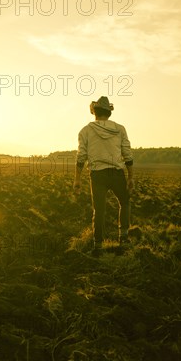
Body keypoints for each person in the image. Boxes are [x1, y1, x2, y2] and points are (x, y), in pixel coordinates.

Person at [73, 96, 134, 255]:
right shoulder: (120, 129)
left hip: (97, 174)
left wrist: (77, 179)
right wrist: (131, 177)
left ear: (95, 112)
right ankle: (124, 238)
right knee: (125, 202)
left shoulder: (85, 131)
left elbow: (81, 157)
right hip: (117, 173)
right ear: (109, 113)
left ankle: (98, 244)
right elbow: (127, 154)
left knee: (98, 210)